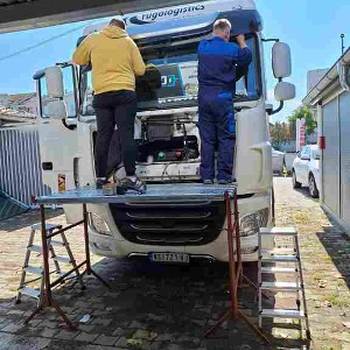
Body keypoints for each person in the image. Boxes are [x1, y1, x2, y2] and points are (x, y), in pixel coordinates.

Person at [72, 18, 146, 192]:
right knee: (125, 134)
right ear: (123, 29)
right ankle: (131, 176)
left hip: (102, 95)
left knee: (104, 136)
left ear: (109, 26)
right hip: (124, 93)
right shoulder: (128, 42)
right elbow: (141, 70)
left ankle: (101, 177)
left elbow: (77, 59)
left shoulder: (93, 38)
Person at [197, 19, 252, 184]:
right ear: (227, 33)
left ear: (214, 31)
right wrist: (241, 41)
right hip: (222, 99)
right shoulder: (231, 49)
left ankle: (206, 176)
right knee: (225, 138)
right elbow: (247, 57)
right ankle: (223, 176)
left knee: (207, 139)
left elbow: (212, 39)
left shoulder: (202, 47)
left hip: (204, 99)